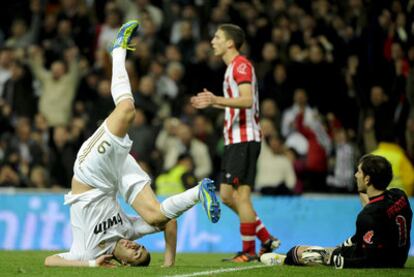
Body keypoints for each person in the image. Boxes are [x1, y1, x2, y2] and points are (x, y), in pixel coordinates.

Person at [44, 20, 220, 268]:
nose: (135, 247)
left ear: (123, 264)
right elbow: (169, 221)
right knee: (156, 215)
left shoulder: (87, 252)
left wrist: (92, 265)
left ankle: (117, 51)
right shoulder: (129, 231)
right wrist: (168, 263)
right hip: (114, 173)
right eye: (142, 249)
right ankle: (199, 191)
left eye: (134, 254)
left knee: (126, 110)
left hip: (89, 175)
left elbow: (49, 261)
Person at [191, 24, 280, 262]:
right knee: (228, 195)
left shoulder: (241, 65)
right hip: (234, 140)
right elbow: (236, 101)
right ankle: (265, 237)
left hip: (245, 138)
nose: (212, 41)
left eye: (217, 37)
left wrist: (216, 98)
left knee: (241, 197)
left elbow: (247, 100)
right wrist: (213, 103)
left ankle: (249, 251)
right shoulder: (231, 68)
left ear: (230, 43)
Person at [261, 154, 412, 269]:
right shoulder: (399, 195)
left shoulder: (367, 217)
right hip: (399, 256)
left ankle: (284, 260)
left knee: (299, 251)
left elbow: (368, 259)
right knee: (338, 246)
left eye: (359, 172)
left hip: (380, 259)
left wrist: (337, 259)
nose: (355, 175)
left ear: (367, 179)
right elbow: (381, 218)